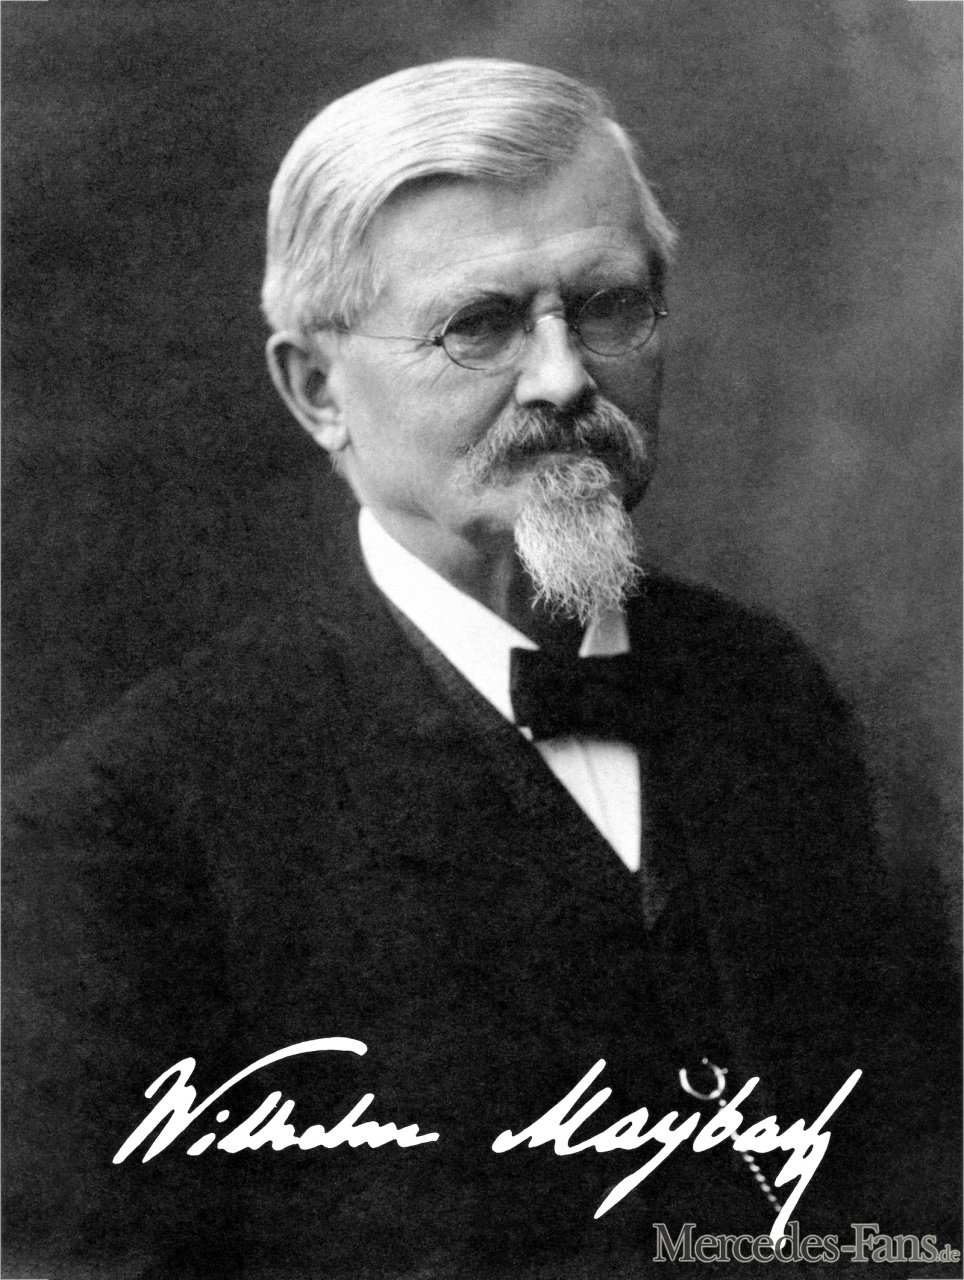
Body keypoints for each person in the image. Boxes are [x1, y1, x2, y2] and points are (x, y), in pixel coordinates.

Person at [5, 59, 958, 1280]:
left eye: (607, 304)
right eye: (480, 324)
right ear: (315, 390)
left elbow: (909, 1182)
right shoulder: (128, 833)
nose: (563, 378)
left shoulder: (766, 690)